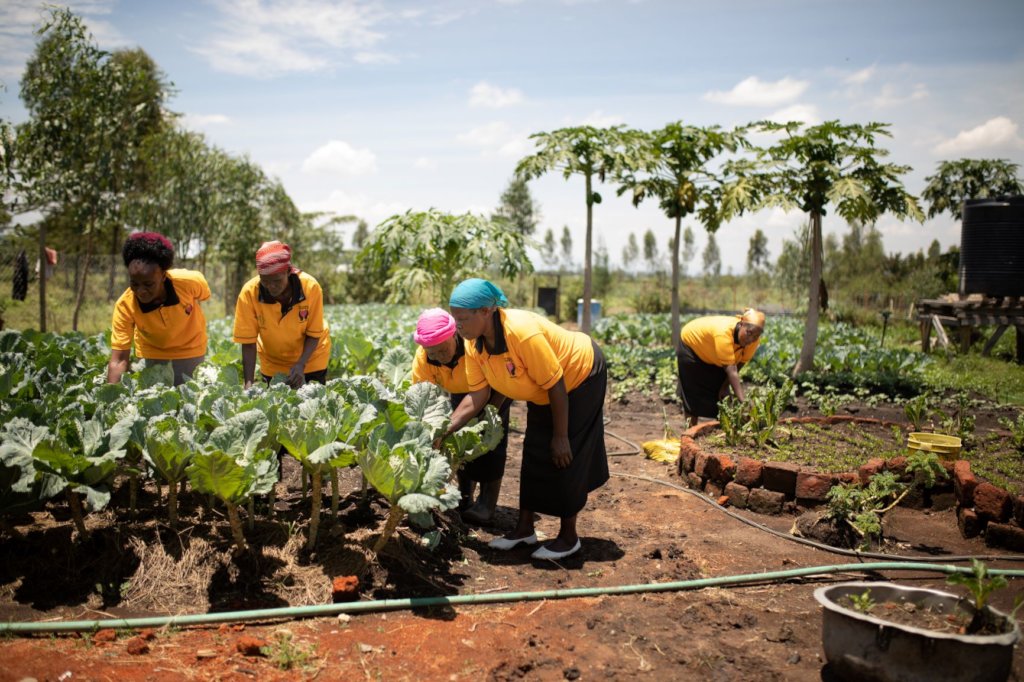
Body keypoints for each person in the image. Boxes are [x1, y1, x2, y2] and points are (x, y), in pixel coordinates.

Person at [443, 279, 608, 561]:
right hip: (545, 390)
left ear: (486, 311)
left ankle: (569, 538)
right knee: (533, 453)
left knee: (565, 457)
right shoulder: (474, 344)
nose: (457, 326)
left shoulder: (521, 333)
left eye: (462, 318)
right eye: (454, 318)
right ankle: (524, 530)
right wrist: (444, 428)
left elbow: (557, 384)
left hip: (579, 377)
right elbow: (478, 395)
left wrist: (560, 436)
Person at [412, 308, 511, 524]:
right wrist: (432, 430)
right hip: (460, 391)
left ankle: (487, 503)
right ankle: (465, 497)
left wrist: (488, 413)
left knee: (489, 441)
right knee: (457, 441)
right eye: (432, 352)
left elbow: (502, 377)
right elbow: (422, 398)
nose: (438, 356)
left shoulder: (474, 345)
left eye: (442, 349)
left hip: (495, 388)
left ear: (454, 335)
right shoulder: (423, 358)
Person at [107, 232, 210, 386]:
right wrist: (111, 396)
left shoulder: (190, 282)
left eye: (148, 284)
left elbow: (203, 296)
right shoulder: (125, 305)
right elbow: (120, 359)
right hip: (152, 354)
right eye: (134, 283)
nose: (141, 291)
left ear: (163, 276)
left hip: (190, 349)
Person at [232, 241, 331, 389]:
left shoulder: (310, 287)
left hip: (311, 359)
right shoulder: (249, 293)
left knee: (312, 407)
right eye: (265, 281)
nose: (271, 286)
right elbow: (248, 344)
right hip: (273, 363)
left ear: (288, 271)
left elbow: (314, 333)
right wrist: (248, 384)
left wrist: (301, 364)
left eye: (277, 280)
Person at [677, 309, 765, 428]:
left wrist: (724, 386)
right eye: (749, 333)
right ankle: (689, 432)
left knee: (723, 396)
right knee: (693, 397)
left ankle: (725, 431)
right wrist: (743, 401)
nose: (751, 339)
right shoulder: (723, 332)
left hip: (715, 355)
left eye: (756, 336)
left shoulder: (754, 340)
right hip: (693, 348)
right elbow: (732, 371)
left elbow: (740, 363)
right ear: (741, 324)